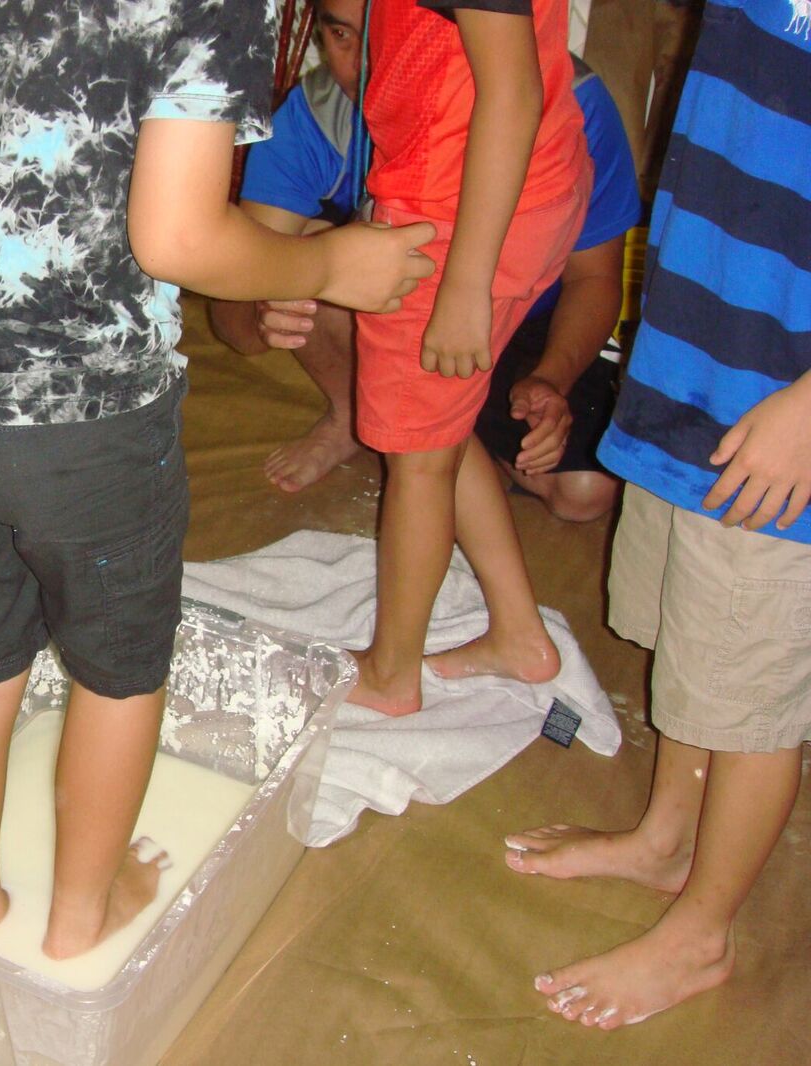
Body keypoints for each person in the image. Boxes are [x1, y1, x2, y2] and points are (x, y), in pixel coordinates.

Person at [0, 0, 435, 958]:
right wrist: (329, 262)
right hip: (85, 412)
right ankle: (81, 918)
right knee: (118, 676)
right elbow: (178, 240)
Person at [504, 0, 810, 1029]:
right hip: (702, 350)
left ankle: (703, 933)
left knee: (748, 694)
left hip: (788, 407)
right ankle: (667, 838)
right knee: (692, 637)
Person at [211, 0, 639, 526]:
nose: (367, 63)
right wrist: (268, 305)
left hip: (525, 324)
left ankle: (433, 440)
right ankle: (361, 418)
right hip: (407, 326)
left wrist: (552, 378)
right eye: (342, 36)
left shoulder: (568, 99)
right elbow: (232, 314)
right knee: (311, 255)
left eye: (386, 33)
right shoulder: (314, 115)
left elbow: (595, 278)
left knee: (583, 492)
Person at [343, 0, 591, 716]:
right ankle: (520, 635)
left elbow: (510, 93)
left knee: (418, 460)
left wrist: (464, 284)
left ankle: (391, 676)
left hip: (456, 214)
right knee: (436, 431)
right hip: (519, 188)